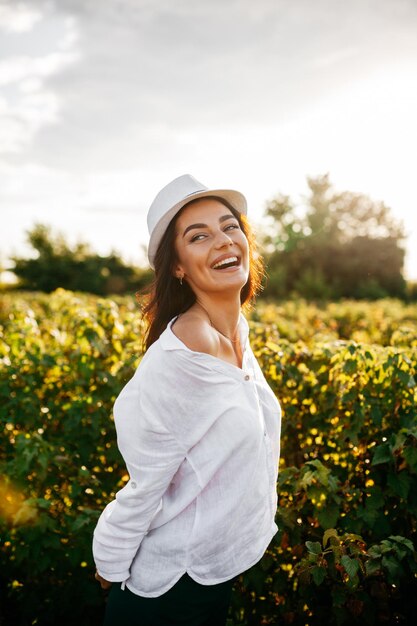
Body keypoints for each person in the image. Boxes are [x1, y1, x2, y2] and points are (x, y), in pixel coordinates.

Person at [92, 174, 282, 626]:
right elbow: (148, 479)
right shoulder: (184, 354)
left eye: (229, 226)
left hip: (213, 574)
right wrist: (112, 561)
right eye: (199, 236)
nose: (222, 241)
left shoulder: (236, 331)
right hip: (169, 591)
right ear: (177, 267)